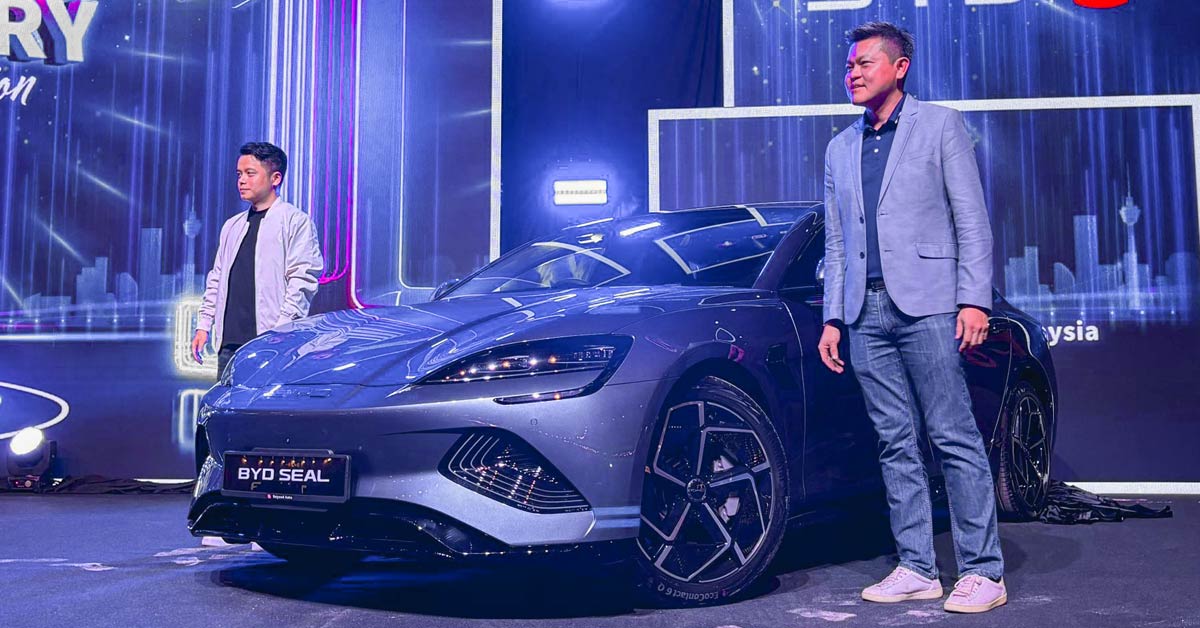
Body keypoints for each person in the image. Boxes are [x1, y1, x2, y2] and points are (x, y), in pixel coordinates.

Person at [816, 22, 1007, 614]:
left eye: (865, 63)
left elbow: (971, 218)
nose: (852, 73)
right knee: (894, 441)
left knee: (952, 434)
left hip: (929, 303)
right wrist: (833, 316)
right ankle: (918, 567)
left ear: (900, 67)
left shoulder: (941, 125)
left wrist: (974, 299)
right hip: (863, 310)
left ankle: (983, 571)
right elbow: (839, 242)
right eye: (849, 65)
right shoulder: (840, 147)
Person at [191, 142, 323, 379]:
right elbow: (217, 279)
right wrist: (204, 325)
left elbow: (302, 281)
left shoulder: (295, 221)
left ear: (275, 178)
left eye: (250, 173)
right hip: (228, 345)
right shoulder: (232, 226)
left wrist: (281, 331)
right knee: (227, 402)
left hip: (271, 344)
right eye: (239, 174)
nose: (242, 180)